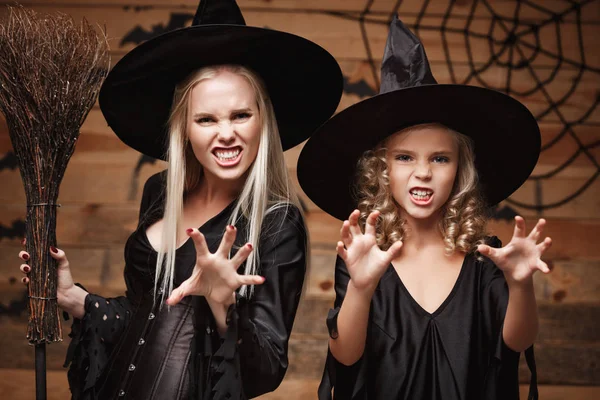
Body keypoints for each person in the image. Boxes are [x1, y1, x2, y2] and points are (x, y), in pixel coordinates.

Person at [18, 1, 343, 399]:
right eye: (206, 119)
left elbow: (267, 369)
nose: (225, 134)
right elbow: (142, 321)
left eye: (240, 115)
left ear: (263, 121)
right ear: (184, 128)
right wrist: (74, 297)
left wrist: (224, 304)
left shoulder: (276, 223)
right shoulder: (160, 193)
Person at [297, 16, 547, 400]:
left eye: (440, 159)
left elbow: (515, 342)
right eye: (405, 157)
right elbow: (345, 355)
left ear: (460, 170)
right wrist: (361, 288)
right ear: (382, 170)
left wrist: (520, 284)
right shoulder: (367, 258)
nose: (423, 173)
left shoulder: (485, 258)